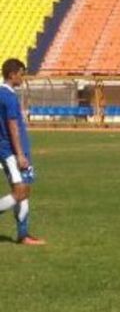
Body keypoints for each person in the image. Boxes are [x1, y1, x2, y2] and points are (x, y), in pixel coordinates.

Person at [0, 58, 45, 245]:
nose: (23, 77)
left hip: (12, 150)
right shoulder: (8, 97)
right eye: (21, 73)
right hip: (11, 151)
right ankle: (23, 234)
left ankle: (23, 234)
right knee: (20, 192)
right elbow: (12, 127)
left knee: (24, 191)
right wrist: (19, 154)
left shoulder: (3, 94)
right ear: (12, 74)